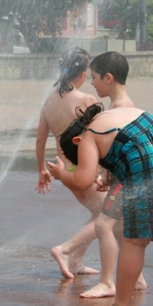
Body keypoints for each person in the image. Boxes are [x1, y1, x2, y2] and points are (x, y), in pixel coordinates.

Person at [48, 103, 153, 306]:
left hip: (147, 169)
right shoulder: (111, 116)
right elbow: (136, 143)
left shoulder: (86, 137)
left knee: (134, 242)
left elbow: (83, 179)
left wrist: (63, 174)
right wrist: (111, 173)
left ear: (76, 141)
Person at [36, 47, 101, 283]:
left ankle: (75, 261)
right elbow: (99, 138)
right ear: (83, 74)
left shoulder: (49, 100)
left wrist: (42, 169)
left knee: (99, 212)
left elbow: (41, 139)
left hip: (63, 167)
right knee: (109, 214)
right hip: (83, 166)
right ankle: (64, 250)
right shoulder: (86, 100)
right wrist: (102, 171)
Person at [86, 51, 147, 298]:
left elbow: (116, 149)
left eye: (95, 77)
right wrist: (108, 175)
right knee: (120, 227)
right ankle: (138, 279)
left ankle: (107, 281)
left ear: (108, 78)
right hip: (123, 178)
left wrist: (105, 174)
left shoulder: (121, 108)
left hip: (127, 180)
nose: (92, 83)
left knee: (103, 225)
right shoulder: (121, 105)